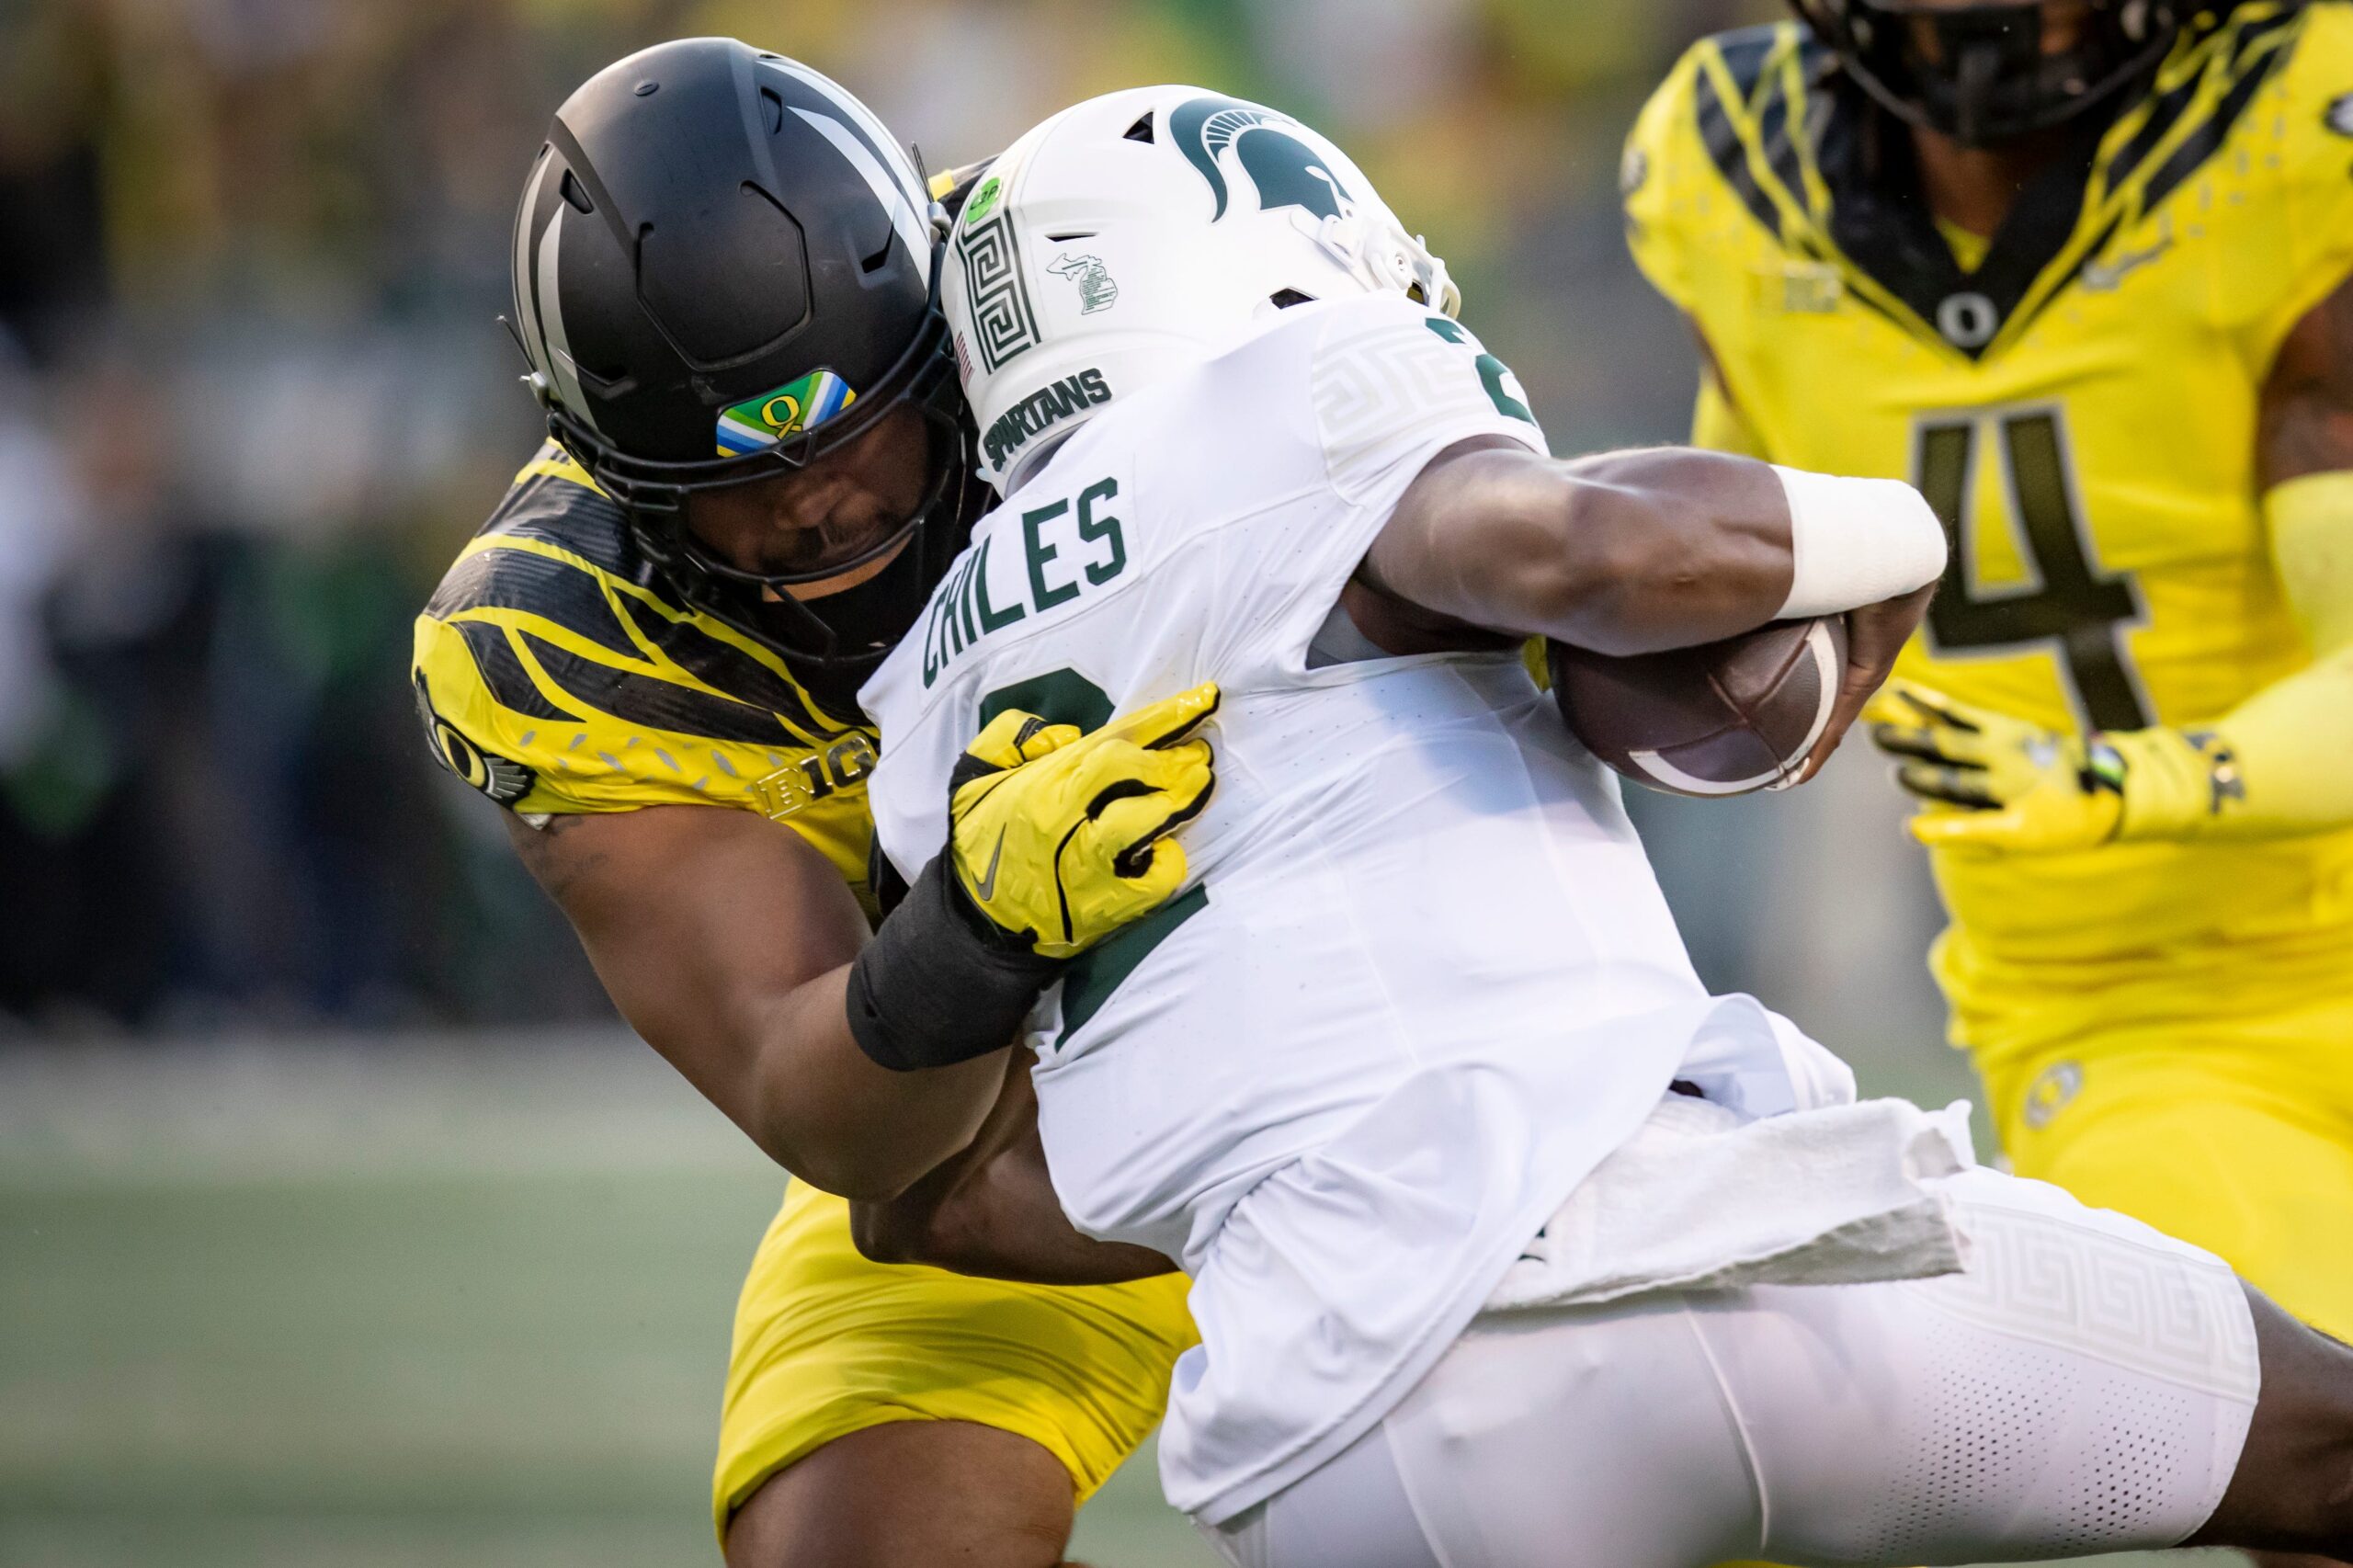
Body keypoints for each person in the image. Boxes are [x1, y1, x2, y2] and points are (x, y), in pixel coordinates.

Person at [857, 83, 2353, 1568]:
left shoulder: (920, 696)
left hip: (1318, 1461)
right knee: (2326, 1445)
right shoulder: (1287, 393)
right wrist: (1907, 533)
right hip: (1675, 1277)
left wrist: (1283, 1183)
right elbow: (1598, 552)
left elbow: (939, 1202)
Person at [410, 40, 1211, 1568]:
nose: (813, 497)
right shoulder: (552, 639)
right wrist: (975, 928)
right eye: (735, 473)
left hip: (1385, 1028)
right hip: (1006, 1116)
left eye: (853, 426)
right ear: (616, 478)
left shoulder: (1109, 261)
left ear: (934, 340)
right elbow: (851, 1130)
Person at [1619, 0, 2353, 1376]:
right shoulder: (1732, 180)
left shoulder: (2293, 138)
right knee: (2321, 1446)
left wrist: (2122, 779)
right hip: (2138, 1016)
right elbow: (1715, 588)